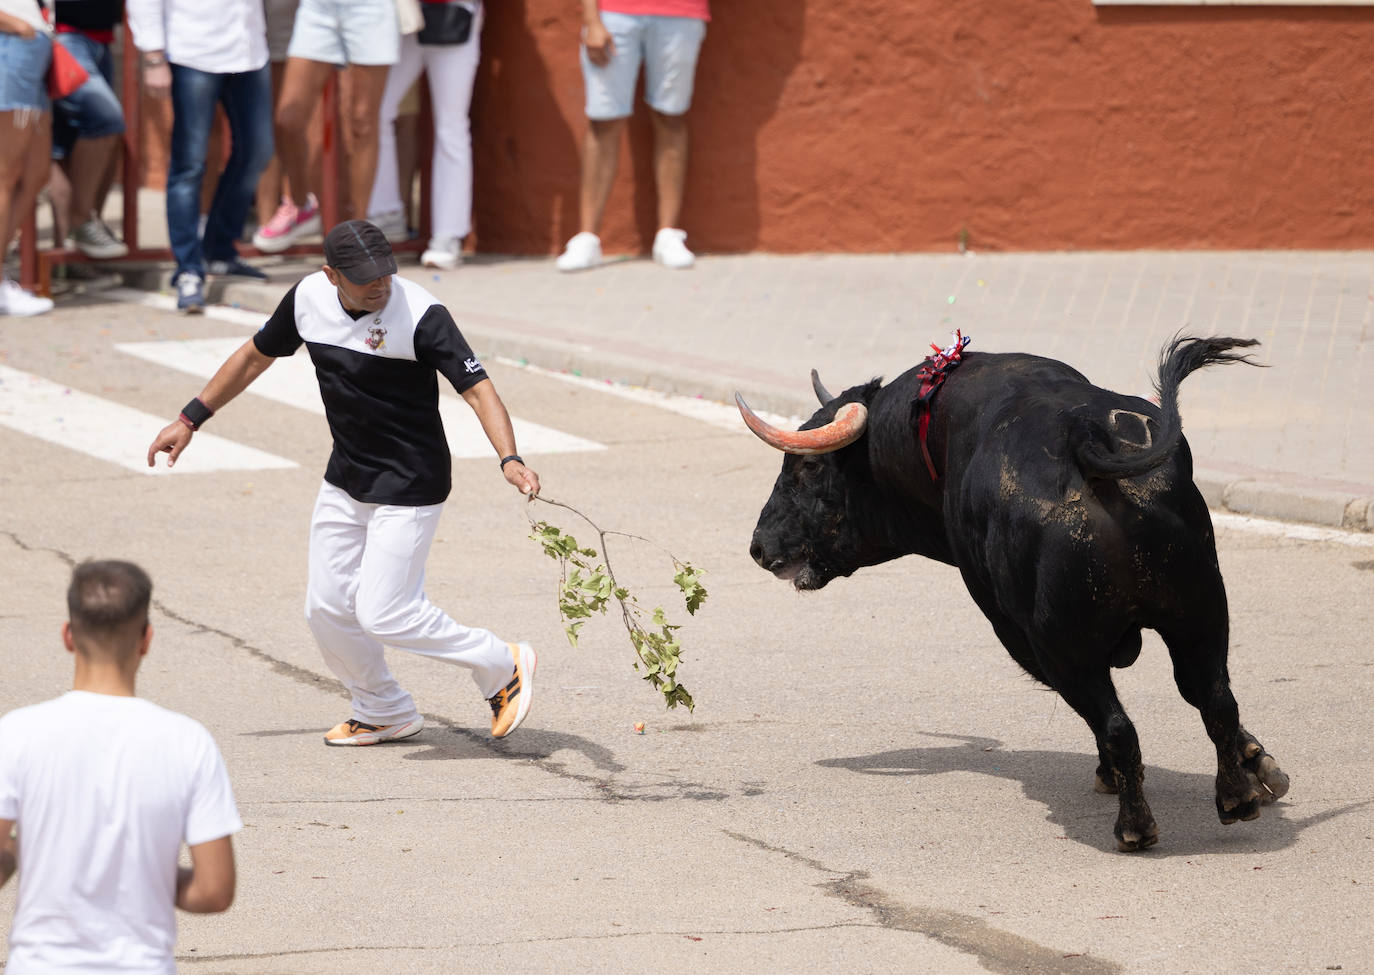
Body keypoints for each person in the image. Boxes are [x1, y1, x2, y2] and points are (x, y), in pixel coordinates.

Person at [147, 219, 542, 745]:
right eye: (364, 278)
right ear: (331, 275)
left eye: (385, 274)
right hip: (347, 475)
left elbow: (477, 389)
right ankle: (382, 709)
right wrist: (191, 418)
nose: (380, 285)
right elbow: (253, 357)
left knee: (386, 612)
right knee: (326, 609)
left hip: (411, 481)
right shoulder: (308, 298)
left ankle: (500, 662)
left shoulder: (421, 314)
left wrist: (508, 456)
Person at [0, 559, 240, 974]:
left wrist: (24, 849)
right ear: (146, 639)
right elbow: (214, 892)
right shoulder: (187, 741)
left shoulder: (17, 733)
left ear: (67, 636)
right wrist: (151, 874)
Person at [128, 0, 274, 313]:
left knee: (258, 150)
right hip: (193, 49)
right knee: (189, 163)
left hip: (249, 47)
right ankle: (189, 270)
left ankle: (219, 251)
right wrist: (153, 56)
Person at [556, 0, 708, 273]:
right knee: (603, 120)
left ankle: (668, 234)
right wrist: (592, 20)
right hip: (614, 13)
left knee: (671, 117)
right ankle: (587, 237)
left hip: (682, 12)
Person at [252, 0, 399, 252]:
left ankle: (358, 232)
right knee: (288, 120)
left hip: (371, 9)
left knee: (363, 122)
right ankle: (302, 205)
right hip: (318, 9)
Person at [368, 0, 481, 270]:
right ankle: (386, 211)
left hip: (456, 13)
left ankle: (449, 234)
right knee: (375, 112)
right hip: (402, 15)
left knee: (451, 126)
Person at [47, 0, 128, 259]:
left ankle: (67, 256)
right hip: (63, 36)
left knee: (66, 146)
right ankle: (81, 222)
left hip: (100, 38)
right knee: (106, 120)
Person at [0, 0, 55, 316]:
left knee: (36, 173)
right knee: (4, 176)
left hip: (31, 47)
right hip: (13, 44)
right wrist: (18, 26)